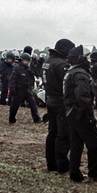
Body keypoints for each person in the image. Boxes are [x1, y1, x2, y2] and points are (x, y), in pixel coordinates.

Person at [62, 45, 97, 183]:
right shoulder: (81, 74)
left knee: (76, 142)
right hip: (79, 112)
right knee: (95, 142)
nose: (89, 60)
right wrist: (90, 115)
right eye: (87, 57)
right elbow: (83, 97)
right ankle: (95, 172)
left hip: (71, 112)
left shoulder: (72, 72)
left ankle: (74, 172)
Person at [44, 40, 72, 174]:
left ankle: (51, 163)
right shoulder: (62, 65)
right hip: (60, 100)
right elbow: (67, 84)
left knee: (52, 132)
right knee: (63, 133)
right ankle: (62, 164)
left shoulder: (48, 62)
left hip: (49, 98)